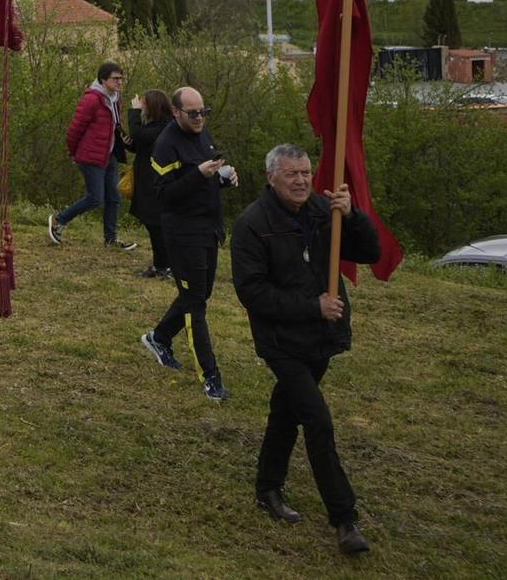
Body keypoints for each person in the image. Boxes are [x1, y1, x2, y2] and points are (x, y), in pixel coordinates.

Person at [232, 143, 380, 555]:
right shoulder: (252, 224)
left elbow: (369, 252)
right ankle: (345, 518)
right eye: (291, 174)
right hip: (281, 342)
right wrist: (311, 306)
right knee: (317, 419)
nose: (301, 181)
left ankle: (267, 488)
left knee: (287, 412)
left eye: (305, 173)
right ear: (271, 177)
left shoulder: (321, 211)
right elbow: (252, 291)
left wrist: (351, 217)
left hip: (321, 340)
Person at [141, 86, 235, 401]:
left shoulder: (203, 135)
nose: (199, 119)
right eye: (192, 114)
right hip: (182, 233)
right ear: (176, 112)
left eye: (203, 113)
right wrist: (198, 174)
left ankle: (159, 337)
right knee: (196, 304)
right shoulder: (165, 145)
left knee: (198, 293)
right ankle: (211, 377)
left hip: (208, 228)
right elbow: (164, 196)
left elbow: (205, 179)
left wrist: (222, 178)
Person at [50, 62, 133, 251]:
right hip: (90, 156)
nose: (120, 82)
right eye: (115, 79)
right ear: (103, 79)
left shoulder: (115, 98)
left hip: (109, 154)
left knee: (114, 198)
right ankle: (59, 220)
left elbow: (113, 126)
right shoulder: (92, 99)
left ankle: (110, 239)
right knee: (96, 198)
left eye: (121, 78)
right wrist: (73, 152)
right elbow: (74, 130)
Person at [126, 89, 175, 279]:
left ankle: (167, 266)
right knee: (153, 224)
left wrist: (134, 112)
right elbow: (139, 143)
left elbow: (139, 135)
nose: (142, 107)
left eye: (144, 104)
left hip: (154, 183)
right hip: (147, 181)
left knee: (157, 225)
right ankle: (160, 265)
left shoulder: (164, 127)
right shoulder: (155, 125)